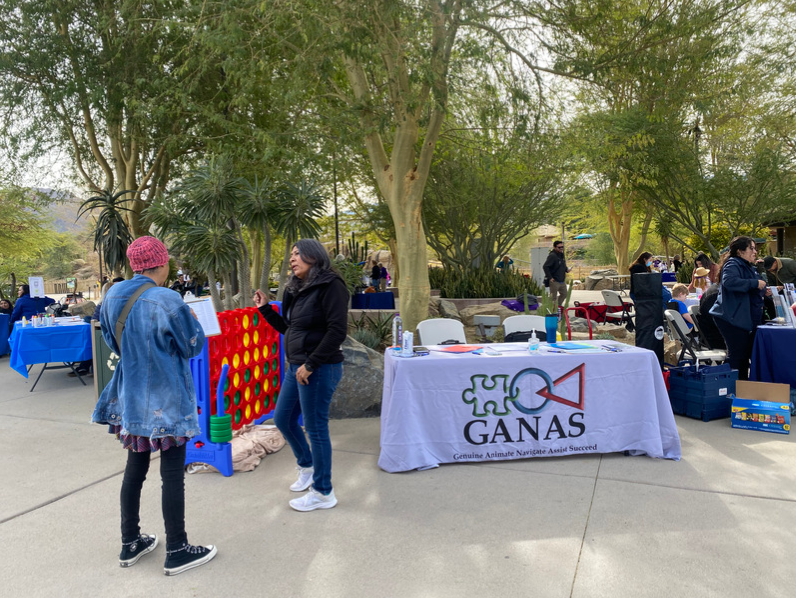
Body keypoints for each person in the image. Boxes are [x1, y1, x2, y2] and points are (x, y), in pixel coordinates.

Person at [91, 236, 216, 575]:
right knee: (172, 473)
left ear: (135, 265)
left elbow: (110, 341)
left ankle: (130, 542)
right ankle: (177, 548)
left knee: (135, 470)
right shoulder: (168, 299)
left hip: (131, 400)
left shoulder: (113, 295)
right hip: (166, 401)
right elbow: (192, 347)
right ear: (161, 263)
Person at [253, 239, 348, 512]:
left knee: (316, 428)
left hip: (319, 368)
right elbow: (289, 328)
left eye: (298, 254)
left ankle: (323, 491)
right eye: (291, 254)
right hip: (296, 366)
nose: (292, 259)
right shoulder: (295, 288)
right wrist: (264, 309)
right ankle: (306, 465)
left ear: (314, 256)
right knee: (282, 418)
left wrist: (311, 364)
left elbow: (337, 331)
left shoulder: (332, 285)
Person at [709, 236, 767, 380]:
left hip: (742, 318)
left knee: (743, 355)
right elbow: (729, 282)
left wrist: (763, 290)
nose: (755, 252)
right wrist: (754, 283)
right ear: (740, 252)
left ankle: (741, 388)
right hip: (732, 318)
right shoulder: (733, 264)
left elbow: (750, 288)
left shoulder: (747, 265)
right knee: (737, 355)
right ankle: (727, 387)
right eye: (751, 248)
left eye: (755, 248)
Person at [698, 283, 726, 350]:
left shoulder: (716, 290)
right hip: (713, 339)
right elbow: (719, 322)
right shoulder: (716, 294)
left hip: (711, 335)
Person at [542, 241, 569, 306]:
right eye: (559, 247)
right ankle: (552, 309)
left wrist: (566, 269)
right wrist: (550, 277)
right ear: (554, 247)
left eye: (562, 247)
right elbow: (545, 266)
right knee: (553, 297)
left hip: (561, 279)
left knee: (564, 294)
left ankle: (558, 306)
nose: (561, 249)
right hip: (555, 280)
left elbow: (563, 265)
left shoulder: (561, 255)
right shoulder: (552, 256)